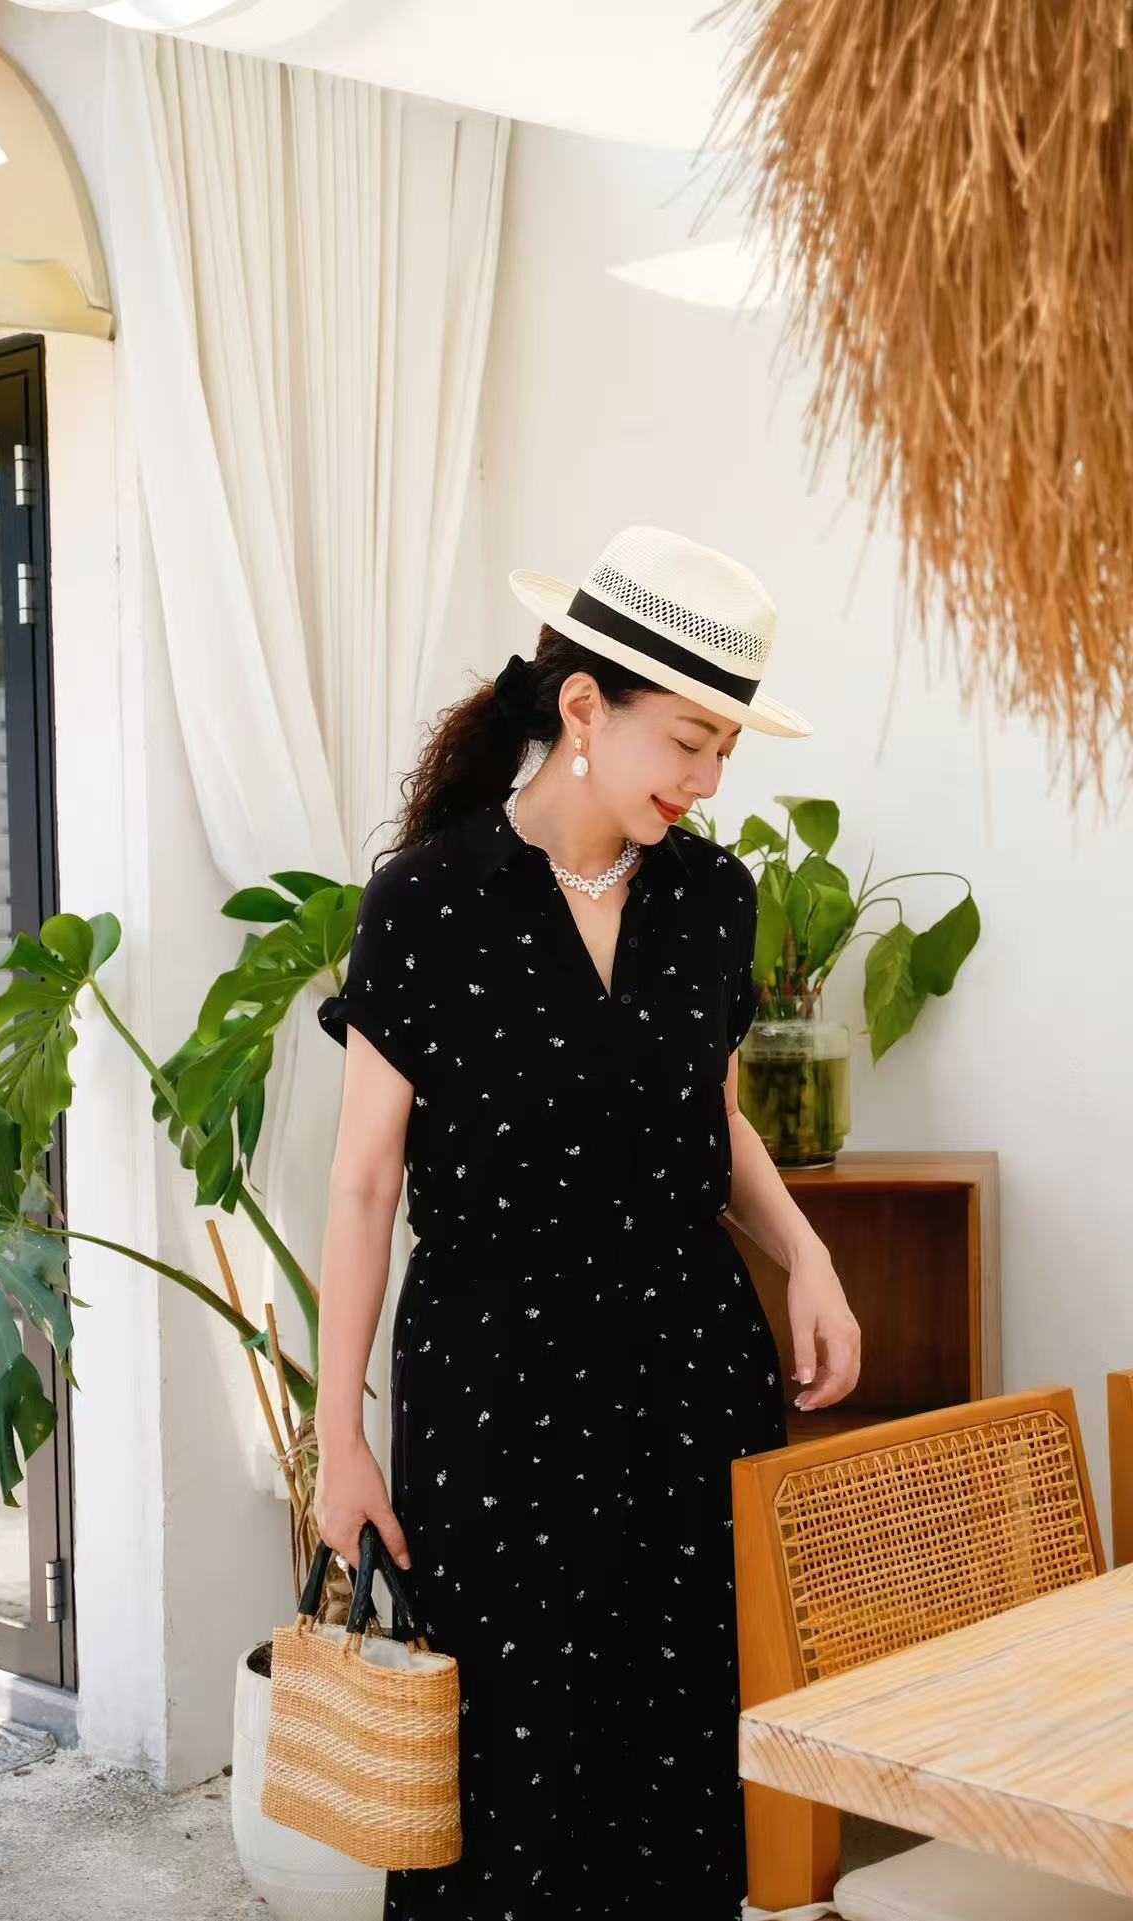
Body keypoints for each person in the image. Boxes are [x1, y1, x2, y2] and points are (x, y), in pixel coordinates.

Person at [313, 525, 861, 1918]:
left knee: (680, 1765)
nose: (709, 779)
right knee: (513, 1779)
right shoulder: (429, 901)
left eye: (725, 749)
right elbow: (365, 1183)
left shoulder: (712, 897)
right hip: (496, 1396)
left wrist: (807, 1256)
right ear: (582, 709)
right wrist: (338, 1438)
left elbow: (713, 1124)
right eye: (688, 740)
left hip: (689, 1379)